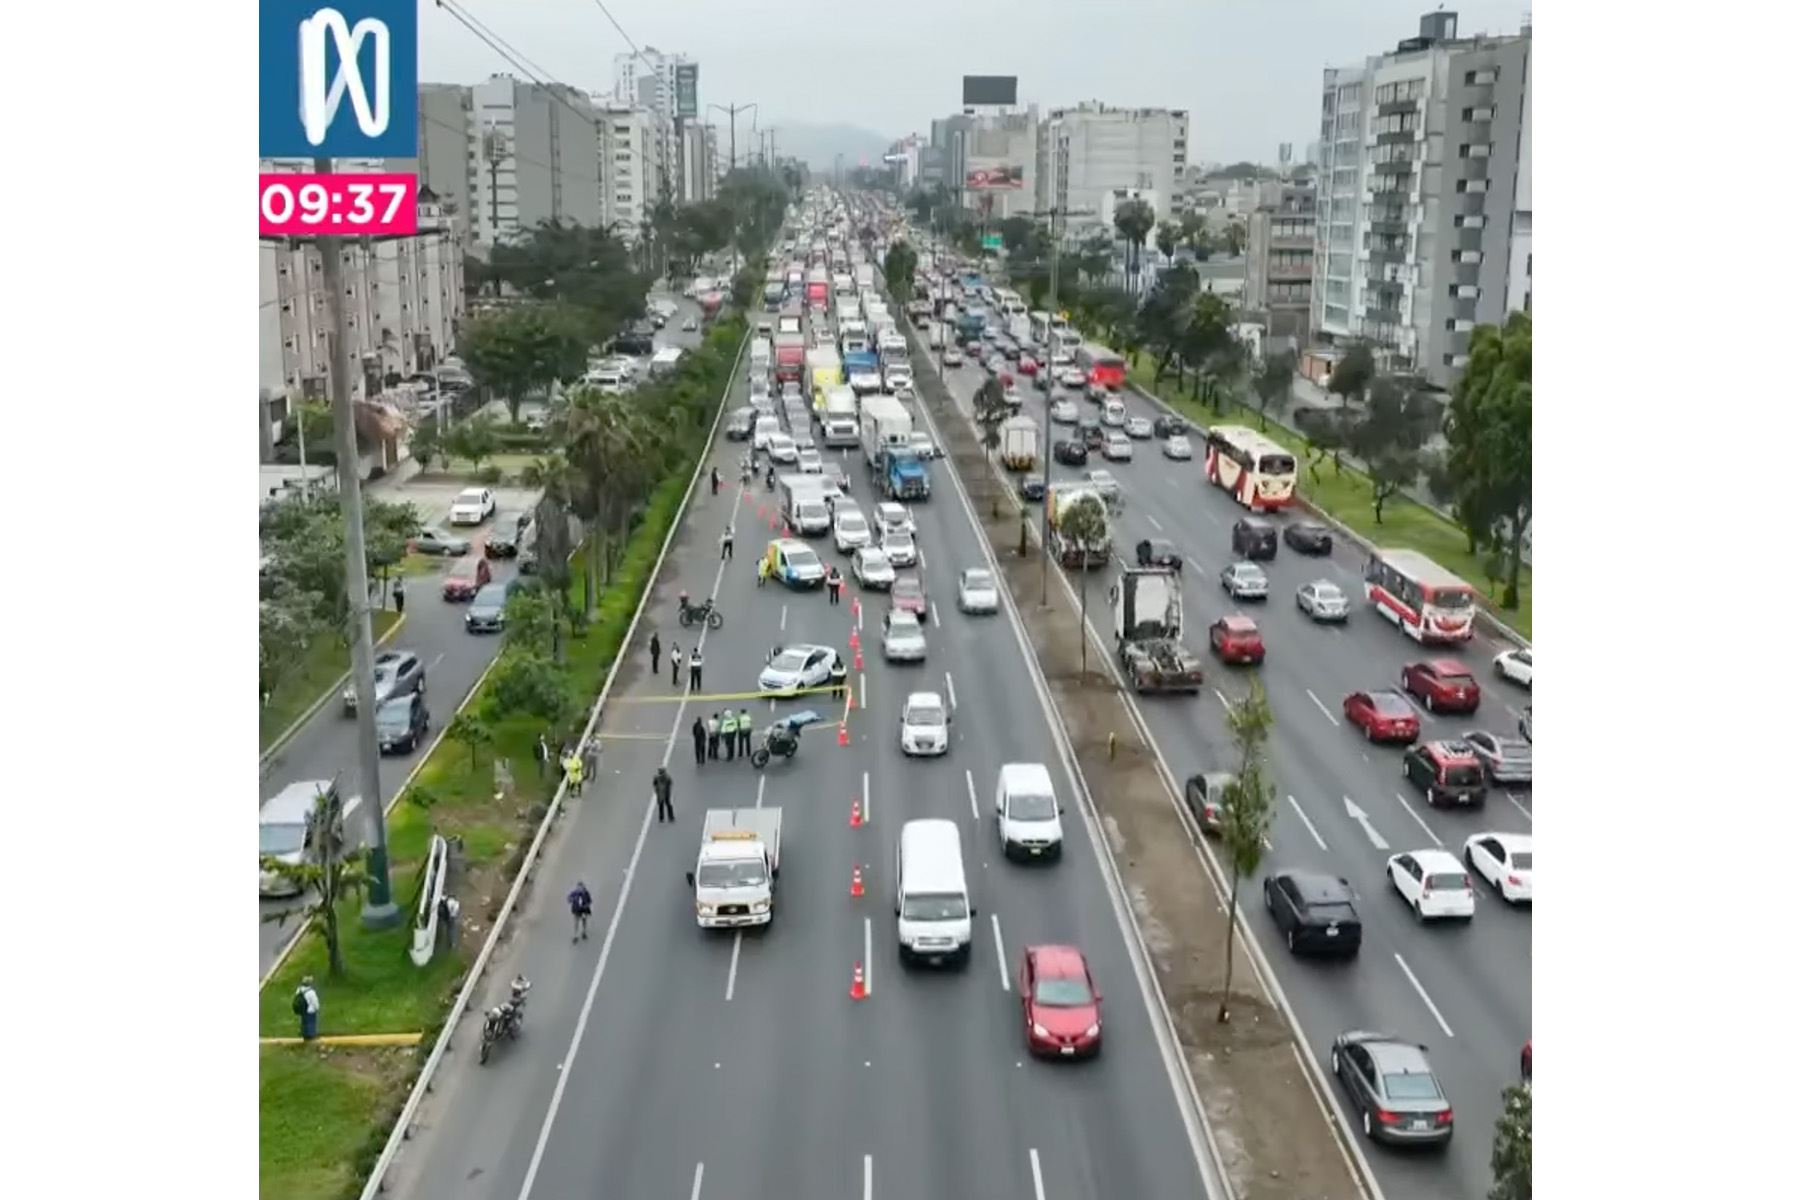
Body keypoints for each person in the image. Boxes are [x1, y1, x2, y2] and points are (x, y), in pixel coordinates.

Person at [292, 976, 321, 1041]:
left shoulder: (299, 990)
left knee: (304, 1023)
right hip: (310, 1010)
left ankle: (305, 1035)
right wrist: (317, 1008)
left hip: (303, 1010)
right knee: (311, 1023)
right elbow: (315, 1002)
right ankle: (311, 1036)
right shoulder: (311, 992)